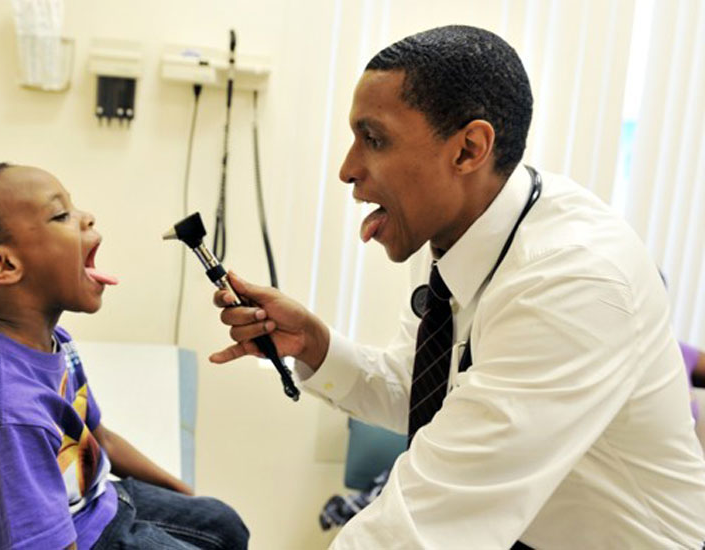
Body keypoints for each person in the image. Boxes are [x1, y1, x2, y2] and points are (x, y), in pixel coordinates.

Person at [211, 26, 705, 549]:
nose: (347, 169)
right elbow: (423, 394)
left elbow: (421, 528)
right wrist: (316, 345)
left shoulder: (572, 282)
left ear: (469, 149)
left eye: (373, 139)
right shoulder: (459, 238)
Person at [0, 163, 249, 549]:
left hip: (95, 502)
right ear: (2, 264)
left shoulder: (52, 341)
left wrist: (186, 496)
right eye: (61, 214)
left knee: (225, 525)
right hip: (74, 538)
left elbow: (99, 437)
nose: (87, 217)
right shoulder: (6, 415)